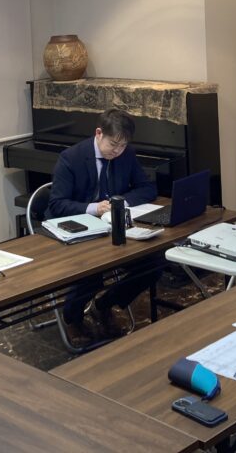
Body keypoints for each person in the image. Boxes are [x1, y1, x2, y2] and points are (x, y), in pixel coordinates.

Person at [46, 108, 158, 345]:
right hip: (78, 229)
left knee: (156, 261)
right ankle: (72, 318)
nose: (117, 151)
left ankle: (104, 304)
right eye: (113, 144)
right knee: (93, 268)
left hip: (114, 227)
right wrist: (93, 208)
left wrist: (120, 203)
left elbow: (147, 188)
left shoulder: (126, 155)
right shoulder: (71, 158)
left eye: (123, 146)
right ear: (99, 133)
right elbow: (57, 204)